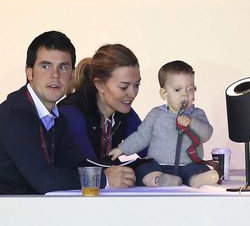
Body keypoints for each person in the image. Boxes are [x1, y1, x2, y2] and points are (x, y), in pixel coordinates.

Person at [0, 30, 94, 195]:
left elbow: (76, 165)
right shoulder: (15, 115)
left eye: (63, 67)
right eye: (45, 66)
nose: (55, 75)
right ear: (29, 72)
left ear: (72, 75)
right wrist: (104, 179)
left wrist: (132, 172)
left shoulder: (56, 117)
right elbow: (45, 181)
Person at [109, 60, 219, 188]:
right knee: (143, 168)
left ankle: (196, 180)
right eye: (178, 90)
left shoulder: (197, 114)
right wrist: (122, 149)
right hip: (158, 165)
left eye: (189, 89)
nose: (185, 94)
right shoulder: (156, 114)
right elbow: (141, 136)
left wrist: (192, 122)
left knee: (199, 169)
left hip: (188, 165)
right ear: (164, 93)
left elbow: (206, 134)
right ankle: (160, 180)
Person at [59, 44, 146, 188]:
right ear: (100, 85)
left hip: (96, 195)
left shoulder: (124, 111)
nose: (132, 94)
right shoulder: (72, 112)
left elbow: (154, 150)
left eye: (137, 85)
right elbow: (89, 166)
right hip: (64, 198)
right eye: (124, 87)